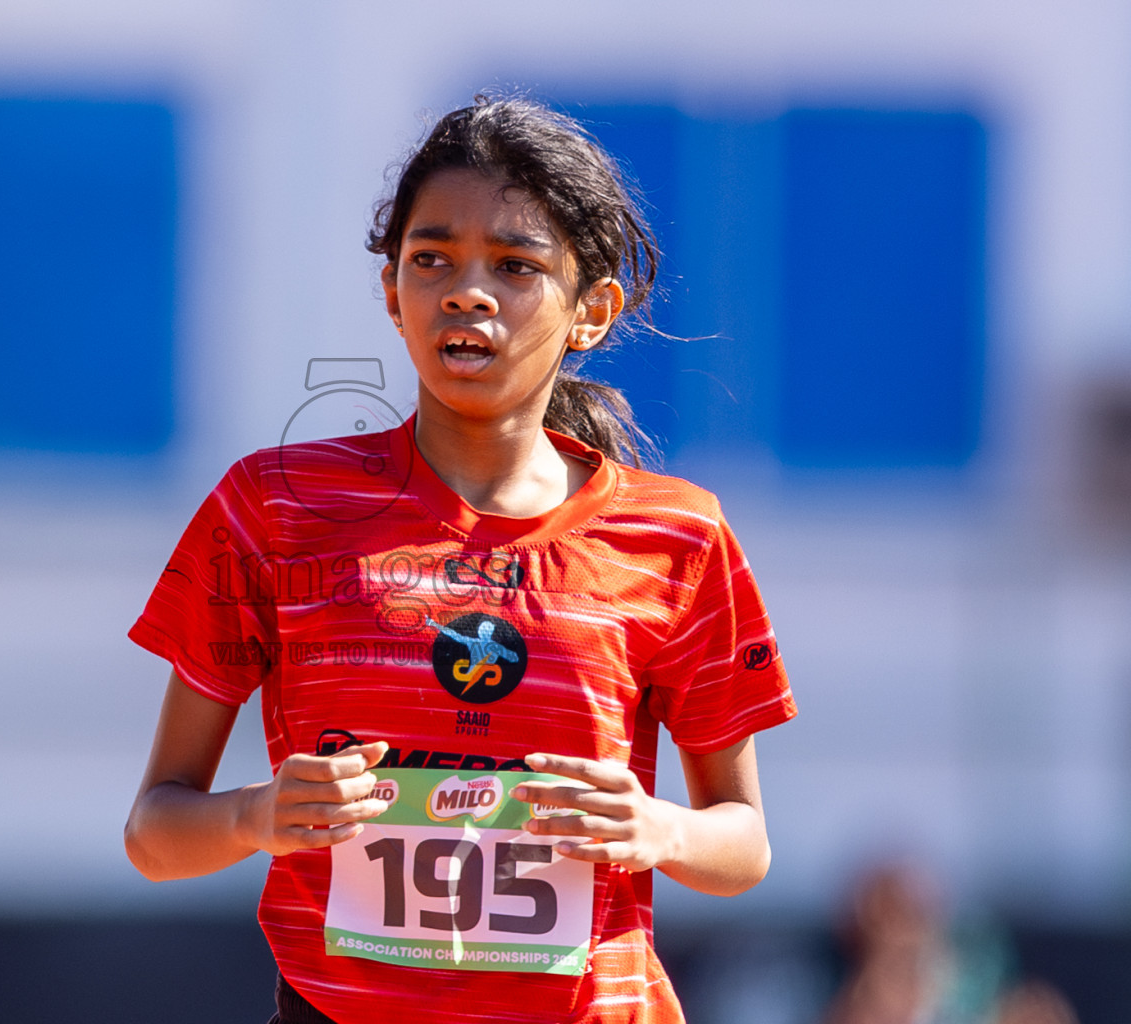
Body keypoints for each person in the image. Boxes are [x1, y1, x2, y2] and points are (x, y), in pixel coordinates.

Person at [124, 96, 797, 1024]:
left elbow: (745, 844)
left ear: (591, 312)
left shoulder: (678, 537)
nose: (466, 291)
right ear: (392, 293)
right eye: (431, 258)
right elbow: (155, 832)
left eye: (515, 266)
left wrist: (656, 827)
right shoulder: (272, 509)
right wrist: (256, 815)